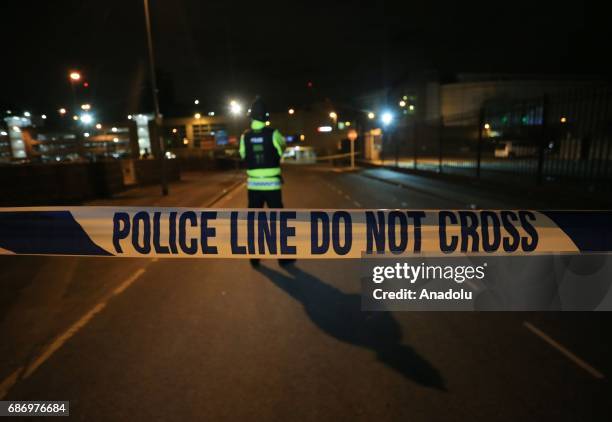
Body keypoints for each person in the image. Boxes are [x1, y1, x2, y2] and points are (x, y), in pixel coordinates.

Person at [239, 97, 294, 267]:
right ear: (266, 117)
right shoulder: (274, 134)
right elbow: (282, 147)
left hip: (254, 186)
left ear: (251, 117)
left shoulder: (245, 137)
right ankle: (283, 258)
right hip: (272, 186)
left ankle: (254, 258)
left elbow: (242, 155)